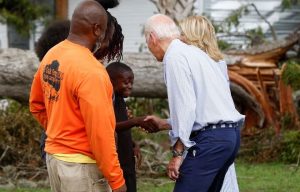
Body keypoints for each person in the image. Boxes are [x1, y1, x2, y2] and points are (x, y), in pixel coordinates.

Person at [29, 1, 126, 192]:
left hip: (55, 160)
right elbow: (101, 134)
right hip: (81, 168)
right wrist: (117, 182)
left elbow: (36, 104)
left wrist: (61, 131)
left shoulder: (52, 55)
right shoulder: (92, 72)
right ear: (97, 29)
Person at [143, 14, 245, 192]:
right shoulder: (200, 55)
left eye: (147, 42)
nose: (149, 48)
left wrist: (178, 153)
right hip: (231, 136)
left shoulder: (174, 55)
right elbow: (204, 109)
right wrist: (166, 123)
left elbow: (185, 107)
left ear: (152, 38)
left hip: (211, 140)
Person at [178, 16, 240, 192]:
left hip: (210, 137)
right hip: (229, 134)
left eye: (183, 33)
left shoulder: (190, 61)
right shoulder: (218, 62)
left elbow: (193, 106)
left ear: (192, 35)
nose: (179, 38)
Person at [106, 62, 155, 192]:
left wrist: (133, 144)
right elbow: (109, 127)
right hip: (117, 162)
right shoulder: (108, 101)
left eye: (131, 82)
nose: (130, 86)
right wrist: (136, 121)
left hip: (127, 159)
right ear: (111, 81)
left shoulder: (120, 99)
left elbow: (121, 129)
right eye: (126, 82)